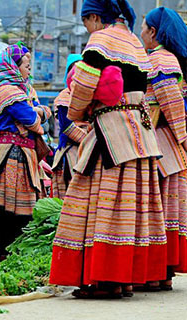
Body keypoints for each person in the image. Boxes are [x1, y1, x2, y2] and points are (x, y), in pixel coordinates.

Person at [49, 0, 167, 298]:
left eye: (86, 22)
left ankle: (106, 280)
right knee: (131, 206)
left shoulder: (100, 40)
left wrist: (77, 112)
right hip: (139, 131)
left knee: (101, 202)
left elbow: (84, 85)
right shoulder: (135, 42)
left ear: (93, 17)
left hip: (111, 132)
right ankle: (125, 279)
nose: (86, 28)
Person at [0, 44, 47, 263]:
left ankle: (12, 252)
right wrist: (38, 113)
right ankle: (5, 252)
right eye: (27, 66)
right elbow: (32, 119)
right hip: (12, 154)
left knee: (20, 206)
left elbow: (36, 112)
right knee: (9, 206)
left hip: (22, 153)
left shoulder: (23, 90)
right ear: (14, 67)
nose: (29, 71)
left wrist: (37, 112)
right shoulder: (7, 90)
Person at [140, 6, 187, 290]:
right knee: (166, 209)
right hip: (170, 145)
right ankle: (162, 274)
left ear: (153, 33)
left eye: (144, 28)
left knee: (157, 209)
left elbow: (173, 109)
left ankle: (156, 273)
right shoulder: (167, 61)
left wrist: (184, 139)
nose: (140, 33)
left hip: (161, 143)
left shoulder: (159, 61)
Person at [51, 54, 89, 199]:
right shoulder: (64, 97)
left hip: (87, 147)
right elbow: (67, 127)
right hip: (71, 150)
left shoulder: (89, 96)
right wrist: (90, 140)